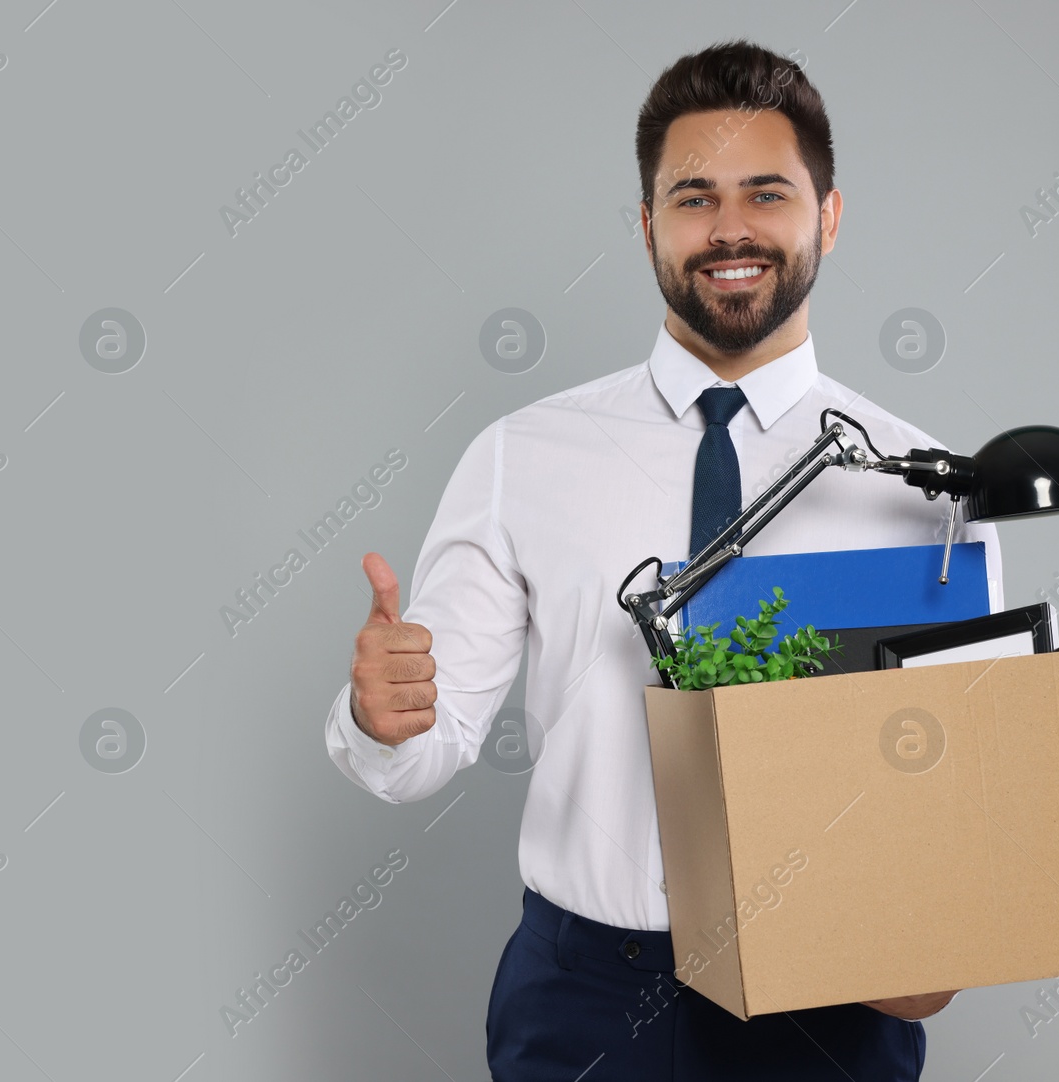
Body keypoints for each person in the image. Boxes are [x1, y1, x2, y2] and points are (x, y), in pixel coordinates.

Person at [325, 38, 1003, 1080]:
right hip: (585, 994)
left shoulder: (929, 492)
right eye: (693, 197)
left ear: (826, 214)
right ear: (648, 227)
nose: (729, 227)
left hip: (825, 1001)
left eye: (766, 192)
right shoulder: (521, 457)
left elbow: (946, 825)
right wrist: (382, 713)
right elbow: (421, 751)